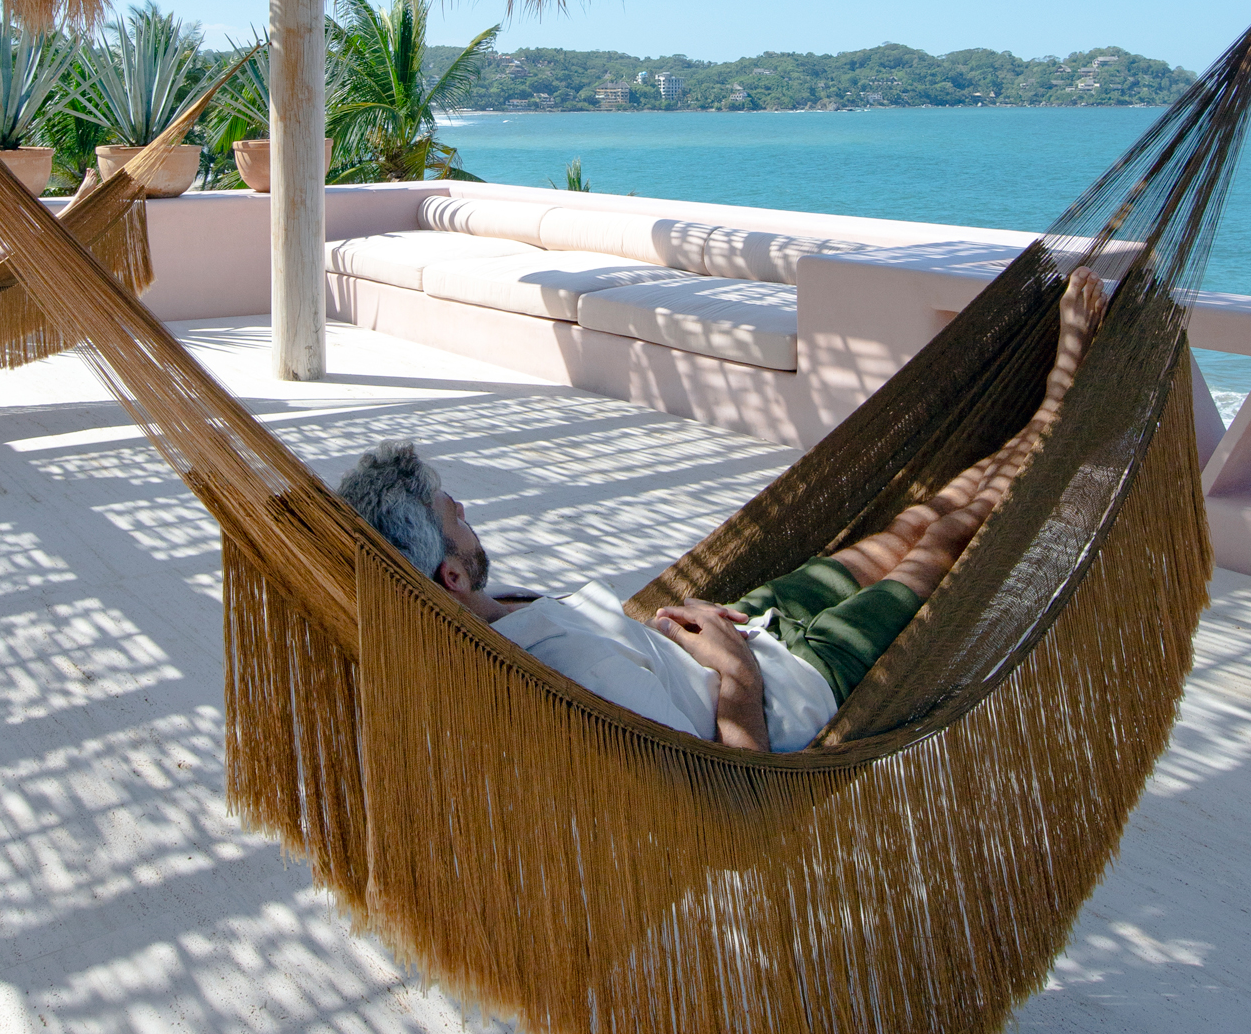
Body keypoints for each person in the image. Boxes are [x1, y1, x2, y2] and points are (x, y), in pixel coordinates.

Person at [338, 268, 1107, 753]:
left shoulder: (488, 616)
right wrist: (736, 675)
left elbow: (641, 663)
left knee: (908, 523)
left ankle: (1039, 422)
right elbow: (723, 790)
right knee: (945, 540)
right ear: (446, 575)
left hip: (747, 621)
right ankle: (1061, 404)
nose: (468, 508)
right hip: (802, 677)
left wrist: (680, 629)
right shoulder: (568, 677)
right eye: (455, 516)